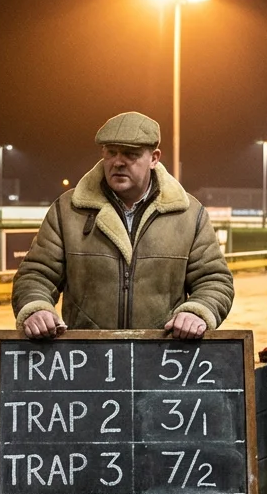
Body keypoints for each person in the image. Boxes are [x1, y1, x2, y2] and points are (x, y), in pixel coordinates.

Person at [12, 111, 233, 338]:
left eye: (131, 154)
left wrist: (198, 311)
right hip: (85, 359)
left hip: (163, 358)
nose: (118, 162)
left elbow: (214, 280)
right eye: (111, 152)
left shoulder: (189, 213)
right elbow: (36, 274)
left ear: (154, 158)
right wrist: (36, 307)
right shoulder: (67, 210)